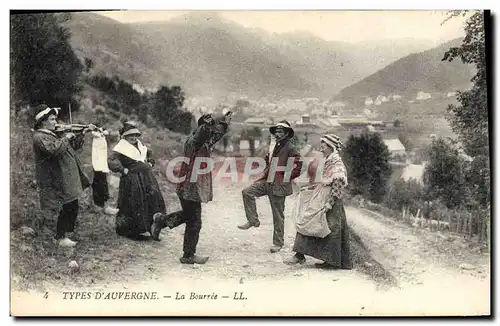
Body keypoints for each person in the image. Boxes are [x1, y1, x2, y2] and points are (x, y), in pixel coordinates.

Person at [151, 113, 231, 264]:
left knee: (189, 216)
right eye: (206, 127)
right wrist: (206, 126)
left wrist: (224, 124)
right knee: (195, 221)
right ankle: (188, 255)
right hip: (190, 188)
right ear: (201, 128)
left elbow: (216, 134)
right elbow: (203, 134)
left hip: (189, 187)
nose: (209, 131)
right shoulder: (194, 142)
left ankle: (161, 221)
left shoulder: (205, 142)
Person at [284, 134, 352, 269]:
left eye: (324, 145)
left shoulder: (336, 164)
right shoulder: (326, 160)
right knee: (307, 220)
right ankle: (299, 255)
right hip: (321, 195)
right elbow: (320, 180)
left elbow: (337, 186)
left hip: (331, 201)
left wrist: (330, 203)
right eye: (321, 144)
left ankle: (332, 262)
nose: (321, 147)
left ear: (331, 147)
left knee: (332, 229)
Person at [32, 104, 93, 247]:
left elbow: (74, 147)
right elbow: (54, 150)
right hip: (54, 177)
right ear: (42, 122)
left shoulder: (54, 134)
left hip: (65, 175)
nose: (56, 122)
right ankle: (59, 237)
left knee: (72, 203)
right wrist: (66, 138)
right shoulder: (39, 137)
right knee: (63, 206)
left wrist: (81, 134)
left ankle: (66, 233)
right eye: (52, 119)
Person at [237, 120, 302, 253]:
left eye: (280, 132)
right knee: (247, 192)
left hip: (279, 185)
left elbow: (297, 168)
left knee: (278, 215)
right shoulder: (274, 146)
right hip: (267, 181)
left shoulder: (291, 149)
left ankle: (278, 243)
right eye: (276, 131)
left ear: (286, 134)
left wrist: (283, 177)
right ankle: (253, 220)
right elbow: (268, 162)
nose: (277, 134)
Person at [108, 121, 165, 240]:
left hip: (146, 176)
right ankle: (132, 230)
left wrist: (150, 162)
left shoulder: (140, 144)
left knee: (151, 199)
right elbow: (111, 161)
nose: (133, 137)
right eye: (130, 135)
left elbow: (148, 154)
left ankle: (151, 226)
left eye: (135, 135)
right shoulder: (121, 147)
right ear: (124, 136)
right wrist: (122, 169)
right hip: (132, 178)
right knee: (134, 202)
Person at [90, 127, 118, 215]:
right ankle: (101, 206)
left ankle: (101, 205)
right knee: (99, 180)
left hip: (100, 162)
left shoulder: (101, 136)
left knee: (102, 180)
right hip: (97, 162)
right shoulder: (96, 137)